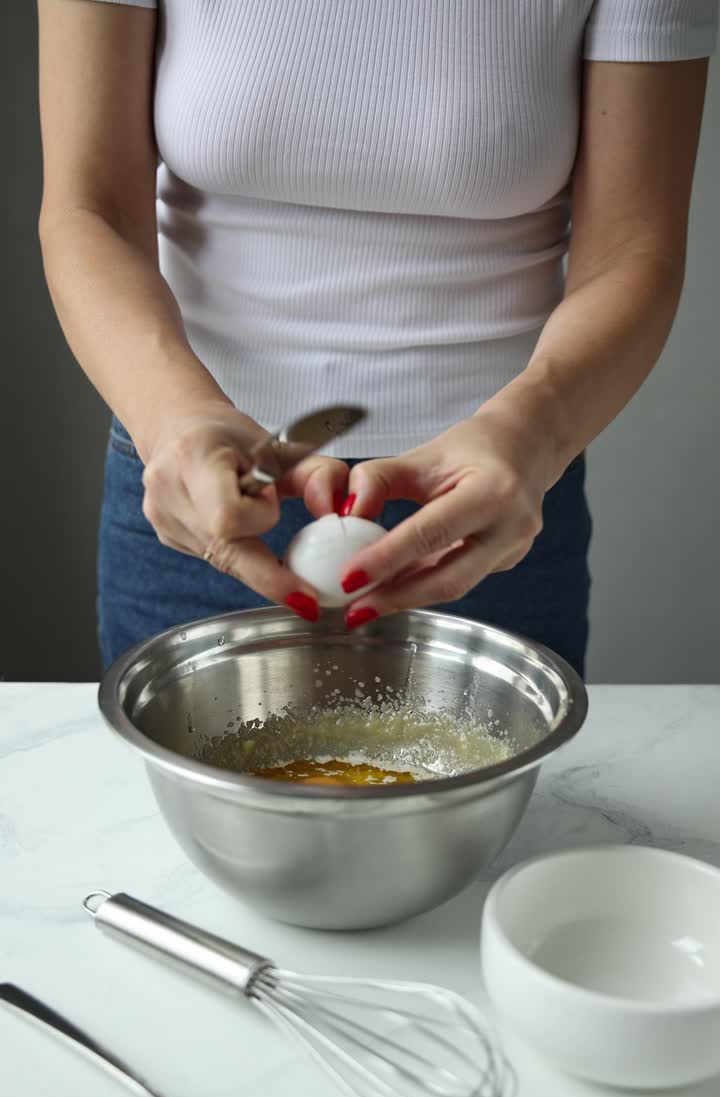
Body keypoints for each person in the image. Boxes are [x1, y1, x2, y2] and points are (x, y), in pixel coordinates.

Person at [37, 1, 717, 676]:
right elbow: (89, 208)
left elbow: (633, 250)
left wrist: (533, 432)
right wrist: (173, 418)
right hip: (197, 487)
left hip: (489, 504)